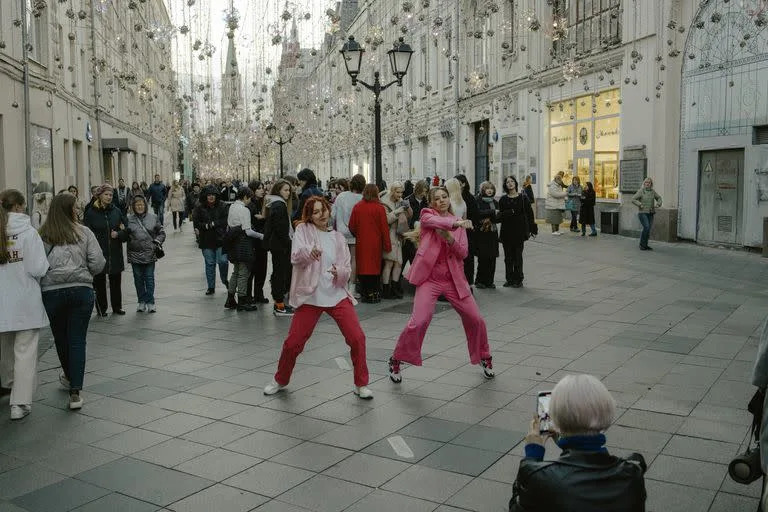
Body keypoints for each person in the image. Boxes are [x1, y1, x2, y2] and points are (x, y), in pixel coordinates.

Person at [263, 196, 373, 399]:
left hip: (337, 295)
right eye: (315, 212)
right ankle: (280, 379)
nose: (321, 215)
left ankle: (361, 384)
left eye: (323, 210)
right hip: (310, 296)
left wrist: (338, 271)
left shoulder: (338, 238)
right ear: (309, 216)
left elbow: (347, 269)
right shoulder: (303, 231)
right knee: (293, 343)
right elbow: (296, 256)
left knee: (357, 338)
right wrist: (309, 253)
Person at [388, 186, 493, 383]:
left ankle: (484, 356)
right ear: (432, 202)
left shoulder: (457, 224)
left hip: (454, 281)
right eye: (437, 198)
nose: (442, 200)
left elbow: (463, 253)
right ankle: (397, 359)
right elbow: (434, 221)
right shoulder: (428, 215)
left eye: (445, 197)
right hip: (430, 279)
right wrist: (457, 223)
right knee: (419, 320)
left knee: (476, 318)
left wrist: (451, 238)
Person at [509, 374, 647, 512]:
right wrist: (569, 446)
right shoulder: (632, 473)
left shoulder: (542, 477)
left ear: (556, 418)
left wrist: (533, 454)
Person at [39, 193, 105, 411]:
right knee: (77, 339)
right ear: (70, 210)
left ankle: (68, 375)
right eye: (76, 207)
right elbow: (97, 264)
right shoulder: (84, 232)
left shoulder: (44, 235)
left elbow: (37, 265)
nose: (78, 210)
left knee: (60, 337)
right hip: (81, 290)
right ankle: (75, 392)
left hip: (52, 292)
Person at [0, 189, 49, 420]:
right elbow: (38, 268)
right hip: (25, 300)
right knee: (25, 351)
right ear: (19, 207)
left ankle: (9, 385)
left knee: (6, 350)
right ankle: (19, 403)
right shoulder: (29, 233)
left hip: (3, 300)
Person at [83, 184, 128, 316]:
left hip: (115, 251)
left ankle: (117, 307)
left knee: (115, 280)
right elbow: (86, 233)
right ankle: (102, 309)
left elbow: (126, 228)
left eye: (111, 195)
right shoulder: (91, 212)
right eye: (106, 194)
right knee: (99, 281)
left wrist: (119, 234)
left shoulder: (116, 211)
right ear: (99, 195)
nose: (109, 197)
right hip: (98, 252)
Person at [349, 184, 391, 304]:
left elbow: (351, 225)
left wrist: (358, 234)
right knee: (374, 268)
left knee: (362, 267)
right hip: (375, 243)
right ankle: (374, 293)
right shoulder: (379, 208)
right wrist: (387, 245)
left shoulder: (357, 207)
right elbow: (384, 229)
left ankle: (365, 293)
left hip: (362, 242)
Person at [125, 194, 166, 313]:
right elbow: (124, 234)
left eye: (142, 204)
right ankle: (141, 301)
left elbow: (161, 232)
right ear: (133, 206)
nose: (139, 206)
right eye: (137, 205)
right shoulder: (128, 219)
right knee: (138, 279)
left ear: (145, 205)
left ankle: (150, 301)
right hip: (134, 253)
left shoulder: (153, 217)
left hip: (150, 253)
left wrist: (156, 242)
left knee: (149, 278)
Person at [224, 187, 260, 312]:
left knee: (236, 271)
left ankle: (230, 299)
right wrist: (261, 236)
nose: (249, 201)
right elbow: (248, 231)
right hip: (243, 243)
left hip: (233, 243)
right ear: (245, 197)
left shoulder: (232, 207)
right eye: (249, 198)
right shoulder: (244, 210)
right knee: (243, 274)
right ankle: (242, 301)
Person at [498, 176, 537, 288]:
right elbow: (500, 215)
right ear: (505, 185)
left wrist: (532, 228)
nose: (510, 183)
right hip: (507, 231)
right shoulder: (503, 199)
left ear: (515, 183)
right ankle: (509, 279)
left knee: (518, 256)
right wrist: (507, 213)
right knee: (508, 257)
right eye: (507, 182)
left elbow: (529, 214)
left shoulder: (523, 198)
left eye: (512, 181)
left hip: (519, 231)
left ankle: (518, 279)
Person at [264, 179, 295, 316]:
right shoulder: (280, 205)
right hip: (280, 246)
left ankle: (279, 303)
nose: (288, 193)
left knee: (279, 273)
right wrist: (288, 243)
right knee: (280, 273)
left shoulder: (274, 203)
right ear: (278, 191)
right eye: (285, 190)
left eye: (289, 190)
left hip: (277, 245)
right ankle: (279, 305)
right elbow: (281, 228)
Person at [331, 174, 365, 296]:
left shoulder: (341, 196)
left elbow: (332, 214)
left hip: (340, 232)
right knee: (353, 260)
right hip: (355, 233)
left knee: (340, 259)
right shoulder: (362, 199)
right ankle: (352, 288)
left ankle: (341, 285)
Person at [193, 186, 229, 295]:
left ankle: (224, 280)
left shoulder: (223, 206)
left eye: (213, 194)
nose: (211, 197)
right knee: (210, 263)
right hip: (206, 240)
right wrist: (207, 226)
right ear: (205, 196)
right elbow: (197, 223)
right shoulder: (199, 207)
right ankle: (211, 287)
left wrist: (211, 224)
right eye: (209, 195)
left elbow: (225, 220)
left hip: (221, 239)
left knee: (223, 261)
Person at [380, 182, 411, 300]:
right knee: (389, 262)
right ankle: (386, 289)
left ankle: (395, 287)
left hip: (398, 235)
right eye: (398, 192)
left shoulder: (400, 200)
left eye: (401, 192)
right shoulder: (384, 202)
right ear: (392, 191)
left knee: (398, 262)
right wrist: (397, 212)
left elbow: (409, 216)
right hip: (389, 235)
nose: (400, 194)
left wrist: (407, 208)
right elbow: (385, 220)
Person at [454, 174, 480, 287]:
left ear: (464, 184)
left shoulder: (469, 198)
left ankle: (468, 283)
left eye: (458, 183)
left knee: (468, 257)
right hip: (454, 230)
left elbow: (474, 215)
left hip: (467, 231)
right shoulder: (452, 197)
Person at [246, 180, 269, 304]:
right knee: (252, 269)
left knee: (262, 269)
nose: (262, 190)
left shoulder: (263, 202)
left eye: (262, 188)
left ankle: (259, 294)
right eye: (259, 188)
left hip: (262, 241)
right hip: (253, 241)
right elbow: (253, 222)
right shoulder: (250, 205)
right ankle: (249, 296)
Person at [475, 181, 500, 289]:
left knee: (492, 257)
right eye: (487, 188)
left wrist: (494, 215)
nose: (489, 190)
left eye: (491, 188)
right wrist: (491, 212)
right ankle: (480, 281)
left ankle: (490, 281)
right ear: (483, 190)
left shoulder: (495, 201)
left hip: (492, 232)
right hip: (482, 232)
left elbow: (498, 218)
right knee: (483, 257)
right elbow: (477, 214)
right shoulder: (478, 201)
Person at [403, 179, 429, 269]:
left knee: (417, 261)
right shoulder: (408, 200)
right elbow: (404, 218)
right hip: (409, 233)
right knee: (405, 257)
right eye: (423, 191)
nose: (424, 194)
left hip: (421, 233)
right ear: (418, 189)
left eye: (426, 192)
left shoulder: (427, 202)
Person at [632, 177, 662, 251]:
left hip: (650, 212)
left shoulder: (652, 192)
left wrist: (658, 204)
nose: (647, 184)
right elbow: (633, 199)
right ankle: (642, 245)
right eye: (646, 182)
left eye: (649, 182)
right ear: (644, 183)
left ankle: (645, 245)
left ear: (651, 184)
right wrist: (640, 204)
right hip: (642, 213)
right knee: (646, 227)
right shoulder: (641, 191)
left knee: (648, 229)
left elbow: (659, 198)